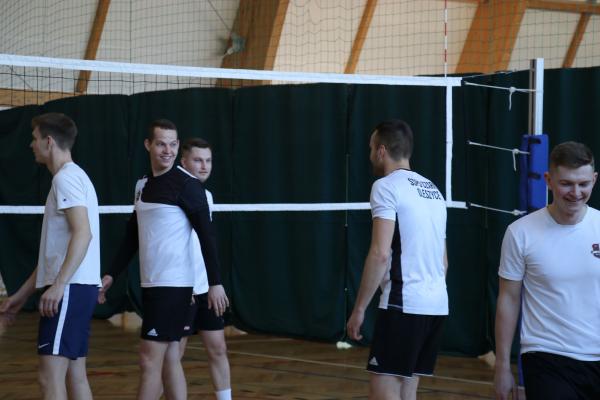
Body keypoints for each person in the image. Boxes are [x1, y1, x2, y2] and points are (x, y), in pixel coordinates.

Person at [98, 119, 228, 400]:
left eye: (172, 144)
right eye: (161, 144)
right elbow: (133, 234)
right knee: (170, 358)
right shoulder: (142, 185)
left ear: (178, 146)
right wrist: (111, 274)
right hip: (152, 283)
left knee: (148, 359)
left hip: (173, 285)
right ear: (148, 145)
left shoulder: (188, 185)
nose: (167, 150)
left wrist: (215, 283)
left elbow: (207, 237)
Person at [0, 113, 101, 400]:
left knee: (49, 378)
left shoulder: (66, 179)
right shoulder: (75, 177)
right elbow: (53, 256)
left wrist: (58, 285)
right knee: (75, 376)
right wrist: (20, 296)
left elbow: (83, 234)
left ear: (48, 142)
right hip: (77, 289)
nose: (30, 144)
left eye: (34, 138)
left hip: (69, 290)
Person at [346, 119, 448, 400]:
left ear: (381, 151)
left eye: (371, 148)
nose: (370, 155)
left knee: (384, 391)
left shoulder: (386, 187)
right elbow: (444, 262)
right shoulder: (434, 191)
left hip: (404, 304)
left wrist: (359, 309)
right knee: (407, 391)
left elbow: (380, 254)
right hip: (437, 305)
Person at [494, 141, 600, 400]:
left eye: (583, 184)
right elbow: (508, 299)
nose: (575, 192)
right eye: (566, 184)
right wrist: (502, 366)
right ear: (548, 180)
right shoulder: (520, 233)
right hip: (546, 357)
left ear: (594, 180)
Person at [175, 137, 232, 400]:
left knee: (218, 348)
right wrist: (182, 285)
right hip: (181, 288)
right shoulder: (173, 193)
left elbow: (204, 245)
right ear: (183, 162)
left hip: (205, 288)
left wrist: (212, 283)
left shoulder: (206, 195)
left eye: (208, 161)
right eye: (198, 160)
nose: (204, 166)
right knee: (174, 355)